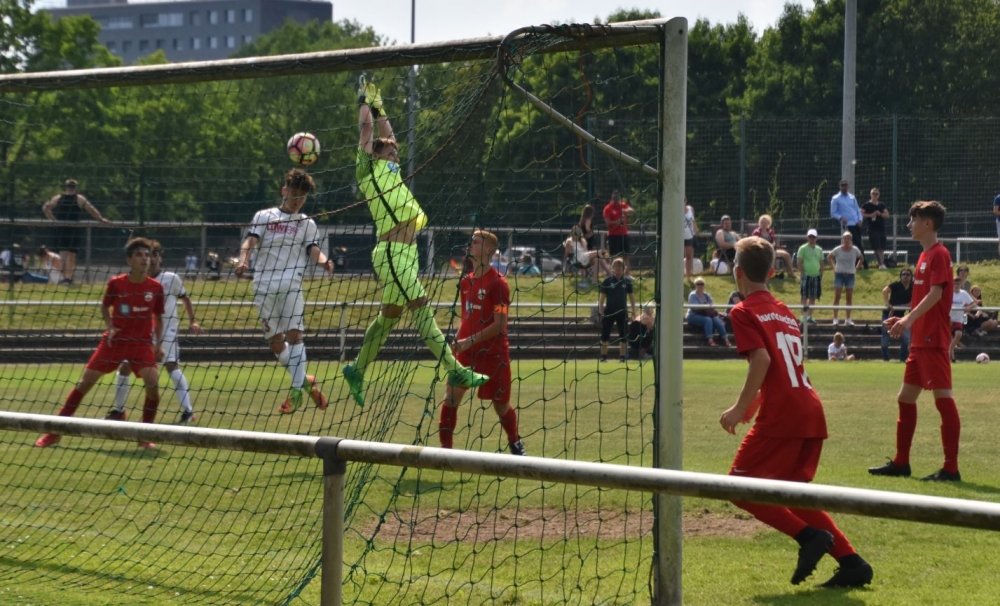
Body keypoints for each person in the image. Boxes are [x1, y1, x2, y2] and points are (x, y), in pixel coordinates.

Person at [719, 235, 873, 589]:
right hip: (809, 407)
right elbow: (785, 367)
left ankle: (809, 537)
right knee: (793, 493)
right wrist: (754, 403)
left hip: (785, 413)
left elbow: (762, 360)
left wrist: (739, 407)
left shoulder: (742, 311)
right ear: (772, 272)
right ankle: (852, 563)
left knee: (738, 488)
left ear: (737, 273)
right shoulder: (785, 310)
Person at [342, 78, 488, 407]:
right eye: (389, 152)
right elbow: (367, 131)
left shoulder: (391, 171)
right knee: (421, 306)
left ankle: (356, 369)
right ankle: (454, 370)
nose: (395, 154)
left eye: (395, 152)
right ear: (375, 155)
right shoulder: (367, 171)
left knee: (389, 317)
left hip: (407, 254)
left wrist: (380, 107)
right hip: (391, 254)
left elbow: (388, 134)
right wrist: (364, 101)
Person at [34, 238, 165, 449]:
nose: (145, 259)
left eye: (147, 255)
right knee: (84, 384)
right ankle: (53, 432)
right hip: (114, 342)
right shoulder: (116, 283)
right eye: (139, 255)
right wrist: (110, 326)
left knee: (153, 386)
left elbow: (158, 318)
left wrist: (158, 344)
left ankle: (145, 436)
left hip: (140, 344)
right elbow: (105, 307)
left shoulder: (156, 287)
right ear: (129, 260)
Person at [871, 200, 962, 482]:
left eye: (914, 220)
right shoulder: (923, 256)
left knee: (943, 399)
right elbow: (925, 298)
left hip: (933, 339)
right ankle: (901, 463)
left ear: (928, 223)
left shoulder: (939, 254)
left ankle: (951, 469)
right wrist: (903, 319)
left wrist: (908, 320)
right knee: (905, 398)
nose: (909, 224)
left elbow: (936, 295)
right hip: (920, 340)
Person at [235, 168, 331, 414]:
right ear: (284, 191)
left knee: (295, 335)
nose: (298, 200)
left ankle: (296, 392)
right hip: (263, 286)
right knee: (277, 345)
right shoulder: (264, 216)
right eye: (295, 194)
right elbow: (250, 241)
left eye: (303, 197)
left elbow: (313, 249)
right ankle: (306, 381)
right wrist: (243, 260)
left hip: (291, 284)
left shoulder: (306, 223)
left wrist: (324, 261)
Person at [438, 230, 524, 456]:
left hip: (493, 355)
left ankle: (515, 442)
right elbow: (467, 317)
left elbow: (500, 324)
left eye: (475, 242)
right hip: (466, 354)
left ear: (488, 249)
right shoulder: (466, 281)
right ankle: (446, 453)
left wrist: (468, 341)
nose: (470, 244)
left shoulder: (499, 283)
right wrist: (458, 341)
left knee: (501, 405)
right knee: (450, 398)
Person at [110, 241, 205, 424]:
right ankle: (119, 411)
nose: (151, 259)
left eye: (155, 255)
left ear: (160, 258)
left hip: (167, 329)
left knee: (171, 366)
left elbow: (185, 299)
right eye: (148, 255)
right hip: (142, 332)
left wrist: (192, 320)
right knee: (125, 366)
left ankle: (188, 411)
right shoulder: (138, 280)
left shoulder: (171, 278)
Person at [41, 179, 112, 285]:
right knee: (70, 255)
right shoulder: (78, 198)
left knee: (65, 255)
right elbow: (91, 210)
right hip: (71, 229)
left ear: (66, 187)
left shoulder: (60, 198)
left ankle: (65, 278)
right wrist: (101, 219)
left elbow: (45, 208)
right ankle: (67, 278)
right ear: (75, 187)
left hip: (64, 229)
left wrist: (53, 221)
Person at [599, 258, 637, 362]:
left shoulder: (627, 282)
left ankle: (622, 356)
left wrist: (633, 310)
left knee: (623, 335)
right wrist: (601, 309)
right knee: (605, 334)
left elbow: (632, 297)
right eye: (616, 266)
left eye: (620, 266)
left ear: (623, 268)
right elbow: (602, 297)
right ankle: (603, 356)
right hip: (609, 311)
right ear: (613, 268)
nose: (618, 268)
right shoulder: (607, 281)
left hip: (622, 312)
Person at [830, 179, 867, 270]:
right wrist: (841, 218)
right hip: (848, 224)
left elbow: (857, 210)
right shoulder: (836, 198)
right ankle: (864, 263)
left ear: (848, 186)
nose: (844, 187)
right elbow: (833, 212)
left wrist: (860, 220)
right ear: (840, 187)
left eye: (845, 185)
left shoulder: (852, 197)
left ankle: (857, 263)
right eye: (842, 186)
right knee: (856, 243)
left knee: (858, 242)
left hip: (856, 223)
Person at [827, 232, 863, 326]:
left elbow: (861, 258)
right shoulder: (838, 249)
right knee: (837, 296)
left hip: (850, 275)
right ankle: (835, 318)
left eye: (848, 239)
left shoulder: (855, 250)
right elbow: (829, 257)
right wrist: (834, 268)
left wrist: (856, 268)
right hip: (839, 274)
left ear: (851, 240)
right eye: (844, 239)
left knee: (849, 297)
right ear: (842, 240)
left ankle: (848, 319)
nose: (846, 240)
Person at [686, 277, 730, 347]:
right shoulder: (693, 295)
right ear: (695, 285)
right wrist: (706, 306)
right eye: (698, 284)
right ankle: (710, 340)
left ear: (704, 285)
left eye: (702, 284)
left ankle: (726, 339)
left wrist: (704, 306)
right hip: (693, 315)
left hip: (705, 314)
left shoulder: (707, 295)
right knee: (708, 320)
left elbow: (712, 305)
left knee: (716, 320)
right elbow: (695, 307)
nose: (700, 285)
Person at [881, 268, 913, 362]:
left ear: (911, 277)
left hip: (901, 316)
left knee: (906, 338)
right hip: (888, 315)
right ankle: (886, 359)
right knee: (886, 337)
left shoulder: (913, 287)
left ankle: (902, 359)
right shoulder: (896, 285)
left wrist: (904, 306)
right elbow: (885, 291)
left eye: (907, 274)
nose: (905, 276)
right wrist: (888, 303)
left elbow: (914, 300)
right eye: (903, 274)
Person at [752, 214, 797, 280]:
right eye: (762, 222)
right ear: (760, 223)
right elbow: (754, 242)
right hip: (761, 250)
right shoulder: (757, 232)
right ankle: (771, 274)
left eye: (765, 222)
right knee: (773, 254)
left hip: (771, 248)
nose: (763, 224)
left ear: (768, 223)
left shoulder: (770, 231)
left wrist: (772, 245)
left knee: (786, 254)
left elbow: (773, 241)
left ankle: (791, 274)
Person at [603, 190, 635, 275]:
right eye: (615, 199)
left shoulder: (623, 205)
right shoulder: (607, 208)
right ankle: (612, 274)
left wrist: (627, 210)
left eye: (618, 199)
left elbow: (631, 210)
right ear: (612, 199)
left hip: (624, 234)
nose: (617, 201)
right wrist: (618, 221)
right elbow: (608, 222)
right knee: (614, 256)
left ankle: (627, 274)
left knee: (625, 255)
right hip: (613, 235)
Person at [796, 229, 824, 325]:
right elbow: (799, 262)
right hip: (806, 276)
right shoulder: (802, 248)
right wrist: (803, 273)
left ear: (816, 238)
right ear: (807, 237)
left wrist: (821, 274)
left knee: (813, 297)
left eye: (813, 237)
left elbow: (821, 262)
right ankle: (803, 317)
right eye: (810, 237)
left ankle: (809, 317)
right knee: (804, 296)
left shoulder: (819, 249)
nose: (811, 239)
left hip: (816, 276)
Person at [949, 277, 976, 363]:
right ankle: (952, 358)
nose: (956, 285)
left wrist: (969, 307)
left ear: (961, 285)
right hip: (948, 318)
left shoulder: (963, 293)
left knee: (958, 334)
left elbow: (973, 304)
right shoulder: (948, 293)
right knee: (950, 338)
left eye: (958, 284)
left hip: (958, 319)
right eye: (954, 283)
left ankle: (950, 349)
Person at [861, 187, 889, 269]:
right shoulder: (866, 205)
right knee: (876, 247)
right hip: (872, 228)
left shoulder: (881, 205)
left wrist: (880, 214)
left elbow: (887, 215)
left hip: (881, 228)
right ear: (870, 194)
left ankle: (882, 264)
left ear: (878, 195)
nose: (875, 195)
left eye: (876, 194)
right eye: (873, 193)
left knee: (882, 247)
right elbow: (861, 214)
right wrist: (871, 215)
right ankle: (881, 264)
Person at [683, 199, 699, 282]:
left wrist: (696, 229)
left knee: (689, 256)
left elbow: (693, 221)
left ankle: (688, 276)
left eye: (684, 200)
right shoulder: (676, 210)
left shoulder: (690, 209)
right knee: (678, 256)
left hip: (689, 235)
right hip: (679, 236)